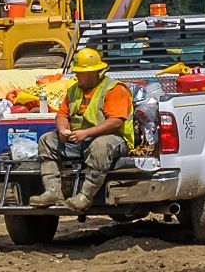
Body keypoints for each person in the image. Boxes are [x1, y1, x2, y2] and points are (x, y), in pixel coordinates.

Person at [28, 47, 134, 211]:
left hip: (113, 138)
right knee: (47, 140)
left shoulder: (114, 89)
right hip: (80, 139)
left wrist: (86, 133)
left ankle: (85, 196)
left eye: (80, 72)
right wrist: (63, 130)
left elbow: (116, 122)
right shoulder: (73, 90)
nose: (76, 75)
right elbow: (62, 115)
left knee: (100, 146)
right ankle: (52, 191)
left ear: (94, 72)